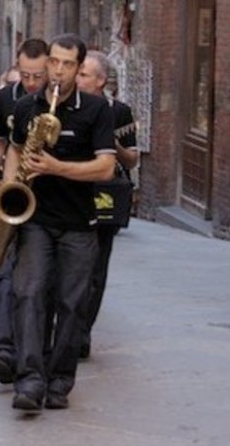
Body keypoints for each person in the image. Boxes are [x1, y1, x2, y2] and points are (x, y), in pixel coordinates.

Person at [6, 33, 115, 411]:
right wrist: (9, 189)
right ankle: (30, 380)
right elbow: (16, 150)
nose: (58, 70)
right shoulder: (25, 107)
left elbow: (105, 167)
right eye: (54, 61)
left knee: (71, 304)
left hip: (79, 222)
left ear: (79, 67)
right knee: (29, 294)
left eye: (68, 64)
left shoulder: (98, 111)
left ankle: (60, 380)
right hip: (35, 219)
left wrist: (57, 167)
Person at [0, 38, 49, 385]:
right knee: (3, 272)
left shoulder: (54, 103)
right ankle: (2, 352)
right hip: (11, 195)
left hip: (48, 201)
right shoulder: (6, 97)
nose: (32, 82)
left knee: (36, 284)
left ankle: (31, 351)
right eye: (26, 74)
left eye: (38, 75)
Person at [75, 50, 138, 358]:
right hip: (70, 194)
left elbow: (132, 157)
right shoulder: (64, 107)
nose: (76, 78)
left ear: (101, 81)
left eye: (83, 74)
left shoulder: (120, 111)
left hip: (106, 195)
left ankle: (82, 332)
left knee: (96, 270)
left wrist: (110, 145)